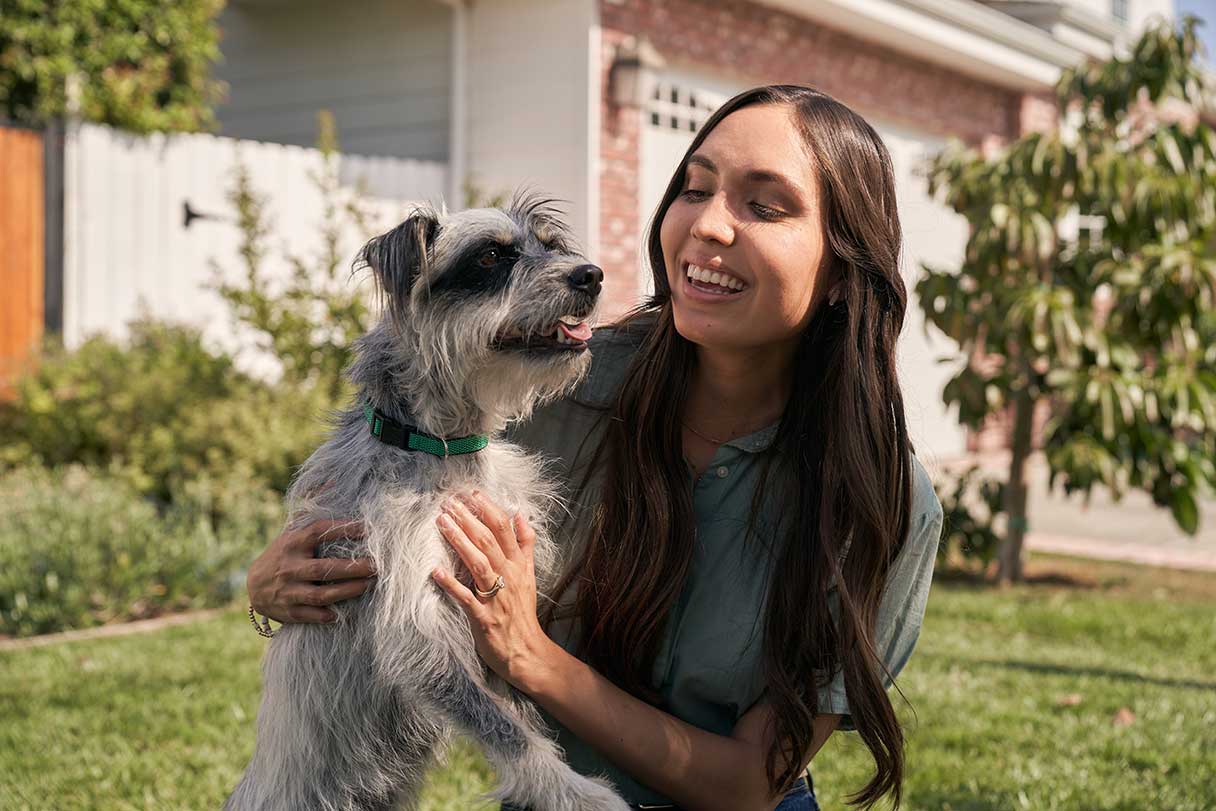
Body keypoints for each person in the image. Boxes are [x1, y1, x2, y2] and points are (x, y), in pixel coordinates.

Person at [246, 84, 945, 811]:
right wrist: (275, 584)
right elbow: (383, 469)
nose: (708, 224)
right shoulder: (544, 378)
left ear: (843, 270)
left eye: (764, 206)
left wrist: (536, 661)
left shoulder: (881, 498)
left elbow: (747, 784)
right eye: (695, 188)